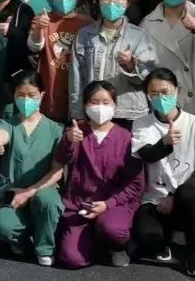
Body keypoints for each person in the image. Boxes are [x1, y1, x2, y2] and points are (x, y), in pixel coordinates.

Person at [132, 69, 195, 277]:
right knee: (146, 236)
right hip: (155, 199)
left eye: (165, 92)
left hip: (187, 198)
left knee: (187, 193)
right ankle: (164, 240)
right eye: (154, 93)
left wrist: (174, 196)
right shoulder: (141, 123)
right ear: (147, 95)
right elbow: (146, 155)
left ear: (176, 91)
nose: (160, 98)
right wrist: (165, 143)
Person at [54, 80, 144, 270]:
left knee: (113, 230)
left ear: (115, 105)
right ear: (85, 105)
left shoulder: (126, 137)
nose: (100, 107)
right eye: (94, 102)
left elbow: (135, 183)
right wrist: (68, 141)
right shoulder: (77, 132)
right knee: (72, 259)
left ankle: (117, 246)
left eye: (105, 102)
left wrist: (108, 204)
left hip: (115, 204)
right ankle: (92, 242)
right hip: (81, 204)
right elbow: (62, 159)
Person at [0, 70, 63, 267]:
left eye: (31, 95)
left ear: (42, 95)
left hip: (42, 190)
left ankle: (45, 248)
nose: (26, 100)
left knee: (48, 201)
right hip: (11, 192)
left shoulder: (55, 129)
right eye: (20, 95)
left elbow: (57, 170)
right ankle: (22, 242)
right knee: (2, 225)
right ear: (14, 96)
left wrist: (29, 192)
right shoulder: (7, 124)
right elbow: (0, 135)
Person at [69, 0, 156, 126]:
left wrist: (130, 65)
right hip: (95, 112)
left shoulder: (139, 36)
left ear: (127, 2)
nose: (111, 3)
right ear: (98, 1)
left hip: (128, 114)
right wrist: (78, 114)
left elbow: (147, 79)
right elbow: (76, 78)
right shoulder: (84, 35)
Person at [36, 0, 94, 121]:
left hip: (79, 98)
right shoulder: (43, 20)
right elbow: (34, 47)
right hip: (50, 98)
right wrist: (38, 28)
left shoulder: (88, 24)